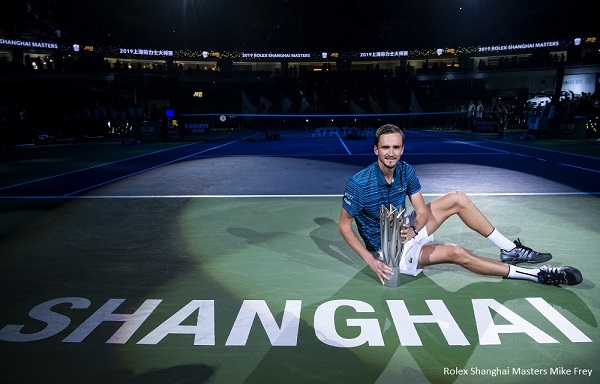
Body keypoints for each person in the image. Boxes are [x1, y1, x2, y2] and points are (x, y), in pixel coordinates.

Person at [338, 124, 582, 287]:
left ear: (402, 149)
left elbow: (421, 212)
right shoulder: (359, 184)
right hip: (388, 251)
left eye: (396, 147)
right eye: (385, 147)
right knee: (457, 252)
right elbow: (344, 226)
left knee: (457, 197)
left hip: (404, 231)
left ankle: (509, 249)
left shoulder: (406, 170)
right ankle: (538, 276)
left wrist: (412, 230)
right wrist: (371, 260)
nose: (391, 153)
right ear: (375, 150)